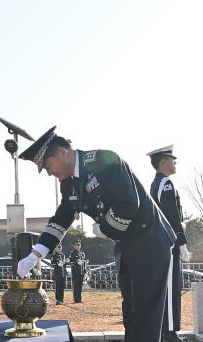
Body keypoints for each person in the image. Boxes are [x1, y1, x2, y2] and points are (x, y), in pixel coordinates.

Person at [16, 126, 176, 342]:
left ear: (63, 152)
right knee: (131, 314)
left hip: (150, 241)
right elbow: (62, 218)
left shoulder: (104, 160)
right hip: (126, 246)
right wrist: (36, 254)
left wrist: (104, 228)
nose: (49, 173)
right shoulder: (69, 185)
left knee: (146, 316)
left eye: (48, 165)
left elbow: (129, 203)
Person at [148, 145, 190, 342]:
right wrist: (181, 241)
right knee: (172, 287)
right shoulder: (166, 183)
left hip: (158, 242)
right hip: (169, 242)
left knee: (165, 287)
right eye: (172, 159)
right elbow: (171, 214)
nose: (175, 162)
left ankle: (165, 330)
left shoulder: (155, 183)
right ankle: (170, 332)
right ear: (163, 162)